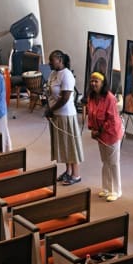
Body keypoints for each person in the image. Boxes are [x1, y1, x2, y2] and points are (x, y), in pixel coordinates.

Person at [45, 50, 83, 185]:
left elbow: (65, 98)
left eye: (51, 60)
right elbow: (49, 93)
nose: (49, 63)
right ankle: (68, 171)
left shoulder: (67, 75)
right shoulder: (53, 74)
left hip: (66, 115)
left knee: (70, 145)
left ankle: (76, 174)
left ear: (60, 60)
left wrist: (51, 109)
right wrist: (48, 108)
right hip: (56, 114)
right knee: (63, 145)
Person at [86, 71, 123, 201]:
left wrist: (99, 130)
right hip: (100, 134)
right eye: (92, 81)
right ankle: (106, 188)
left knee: (113, 162)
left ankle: (116, 191)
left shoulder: (110, 98)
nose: (93, 83)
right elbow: (90, 115)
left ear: (103, 83)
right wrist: (92, 129)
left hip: (112, 133)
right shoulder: (91, 97)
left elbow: (111, 119)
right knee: (105, 161)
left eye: (96, 81)